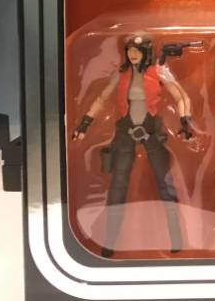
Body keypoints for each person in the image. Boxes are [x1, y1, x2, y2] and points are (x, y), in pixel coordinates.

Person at [72, 34, 195, 257]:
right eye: (130, 50)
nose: (133, 54)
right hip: (125, 133)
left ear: (147, 52)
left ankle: (177, 238)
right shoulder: (121, 74)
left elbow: (181, 97)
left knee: (165, 185)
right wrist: (84, 124)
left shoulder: (159, 71)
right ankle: (109, 243)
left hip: (152, 132)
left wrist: (185, 121)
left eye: (137, 51)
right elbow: (101, 98)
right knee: (117, 188)